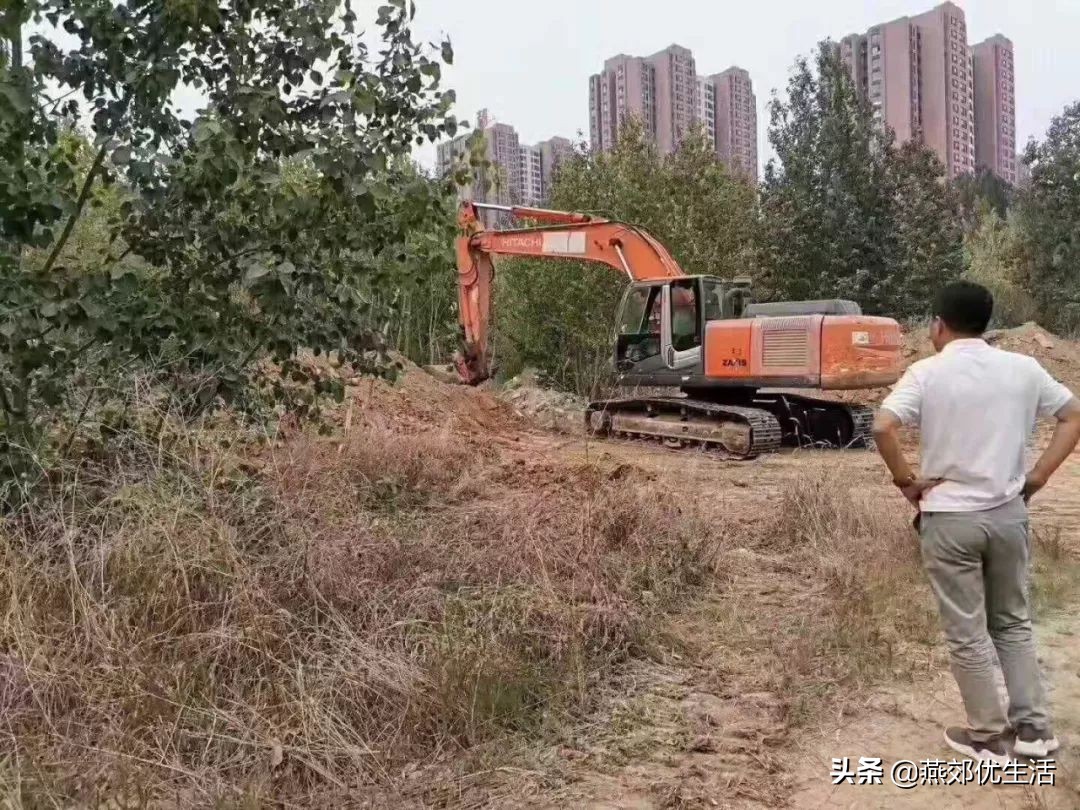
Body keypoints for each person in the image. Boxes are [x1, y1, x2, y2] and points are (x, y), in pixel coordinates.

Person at [872, 281, 1080, 764]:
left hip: (950, 519)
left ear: (938, 325)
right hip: (1008, 514)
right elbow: (1072, 415)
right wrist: (1038, 476)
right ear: (986, 324)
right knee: (1012, 622)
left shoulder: (927, 373)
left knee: (967, 630)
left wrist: (906, 481)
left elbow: (883, 425)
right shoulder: (1024, 368)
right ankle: (1035, 731)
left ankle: (987, 736)